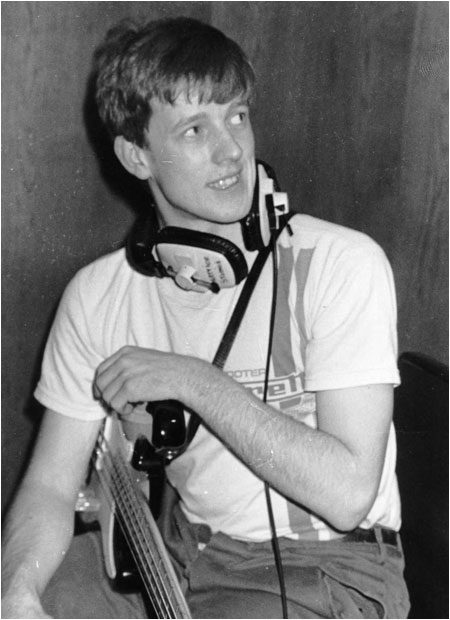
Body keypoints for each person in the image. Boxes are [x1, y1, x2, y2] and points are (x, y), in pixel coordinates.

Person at [1, 16, 410, 619]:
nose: (232, 151)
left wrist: (190, 379)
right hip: (182, 556)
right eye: (195, 129)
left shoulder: (340, 264)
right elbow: (50, 486)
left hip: (328, 570)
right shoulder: (97, 295)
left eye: (237, 116)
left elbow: (348, 494)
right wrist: (19, 589)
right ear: (136, 156)